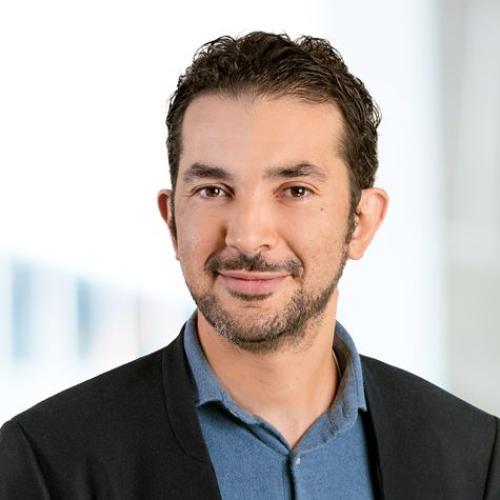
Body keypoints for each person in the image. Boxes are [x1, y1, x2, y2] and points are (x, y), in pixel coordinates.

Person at [1, 31, 499, 500]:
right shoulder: (45, 464)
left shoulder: (477, 460)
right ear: (172, 220)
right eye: (213, 190)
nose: (247, 235)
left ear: (362, 222)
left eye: (295, 190)